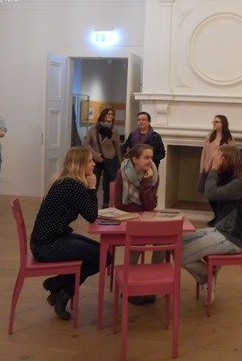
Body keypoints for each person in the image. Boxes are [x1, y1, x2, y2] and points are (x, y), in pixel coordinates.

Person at [30, 146, 111, 321]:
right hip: (48, 245)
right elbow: (91, 216)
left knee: (104, 254)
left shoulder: (65, 181)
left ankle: (58, 286)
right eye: (89, 161)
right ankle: (61, 290)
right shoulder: (73, 185)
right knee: (104, 256)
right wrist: (92, 187)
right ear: (79, 164)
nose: (93, 164)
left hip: (48, 241)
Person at [182, 145, 242, 302]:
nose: (217, 163)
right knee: (177, 243)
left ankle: (207, 277)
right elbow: (201, 188)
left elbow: (211, 193)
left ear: (228, 161)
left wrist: (214, 169)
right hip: (220, 230)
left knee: (181, 255)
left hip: (232, 238)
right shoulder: (228, 176)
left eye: (219, 160)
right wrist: (207, 168)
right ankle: (208, 277)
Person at [113, 143, 162, 305]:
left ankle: (153, 285)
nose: (150, 161)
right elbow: (120, 204)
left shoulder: (153, 174)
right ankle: (129, 288)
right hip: (129, 219)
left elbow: (150, 205)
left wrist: (146, 182)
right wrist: (142, 208)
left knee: (163, 241)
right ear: (135, 159)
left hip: (144, 218)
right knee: (137, 241)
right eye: (146, 157)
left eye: (151, 157)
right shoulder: (122, 172)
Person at [199, 115, 235, 226]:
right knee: (209, 194)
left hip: (221, 172)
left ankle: (219, 217)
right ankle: (217, 215)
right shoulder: (209, 136)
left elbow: (232, 156)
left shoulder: (229, 139)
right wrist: (202, 168)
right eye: (213, 122)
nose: (214, 123)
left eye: (217, 122)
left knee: (218, 195)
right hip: (208, 170)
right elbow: (204, 153)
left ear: (223, 124)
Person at [84, 107, 122, 209]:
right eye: (108, 114)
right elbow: (87, 144)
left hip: (110, 159)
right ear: (103, 115)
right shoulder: (93, 128)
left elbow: (117, 147)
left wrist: (120, 162)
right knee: (93, 182)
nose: (110, 116)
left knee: (108, 185)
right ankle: (90, 205)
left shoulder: (114, 129)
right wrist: (95, 155)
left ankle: (106, 205)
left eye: (112, 114)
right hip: (96, 160)